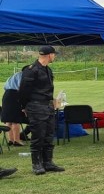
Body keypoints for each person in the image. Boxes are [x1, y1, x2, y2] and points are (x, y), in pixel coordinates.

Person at [18, 45, 64, 175]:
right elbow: (23, 91)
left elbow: (47, 90)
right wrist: (24, 107)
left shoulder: (48, 70)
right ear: (49, 55)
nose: (54, 57)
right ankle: (36, 164)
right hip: (36, 107)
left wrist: (54, 101)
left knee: (49, 135)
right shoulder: (31, 70)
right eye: (54, 54)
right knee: (38, 136)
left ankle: (48, 162)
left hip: (48, 106)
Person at [2, 71, 27, 146]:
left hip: (6, 95)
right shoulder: (23, 75)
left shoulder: (14, 76)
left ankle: (11, 140)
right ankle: (17, 140)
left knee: (9, 119)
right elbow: (21, 88)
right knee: (16, 119)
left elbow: (5, 86)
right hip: (14, 95)